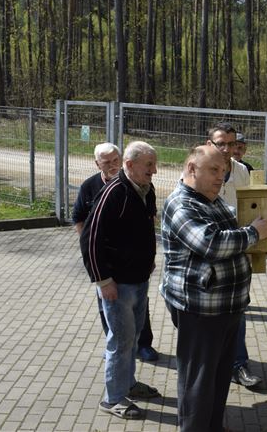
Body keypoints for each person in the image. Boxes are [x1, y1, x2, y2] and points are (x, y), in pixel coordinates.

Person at [160, 145, 267, 431]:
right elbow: (210, 244)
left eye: (223, 171)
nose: (220, 177)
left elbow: (235, 229)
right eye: (213, 170)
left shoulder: (213, 200)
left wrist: (262, 241)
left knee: (220, 376)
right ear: (191, 169)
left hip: (227, 307)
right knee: (198, 382)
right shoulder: (181, 204)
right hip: (201, 311)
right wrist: (253, 233)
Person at [80, 141, 161, 420]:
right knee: (120, 342)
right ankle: (113, 398)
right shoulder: (113, 192)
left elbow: (147, 227)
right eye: (148, 165)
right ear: (129, 165)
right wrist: (103, 281)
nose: (154, 170)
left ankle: (129, 384)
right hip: (117, 284)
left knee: (134, 337)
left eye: (154, 164)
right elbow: (89, 238)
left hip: (139, 279)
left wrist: (149, 258)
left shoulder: (147, 189)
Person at [206, 123, 262, 389]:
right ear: (210, 144)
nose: (227, 149)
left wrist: (263, 241)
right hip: (209, 257)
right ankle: (209, 366)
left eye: (231, 143)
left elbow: (253, 209)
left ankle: (238, 365)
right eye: (221, 144)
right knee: (208, 317)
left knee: (238, 312)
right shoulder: (199, 171)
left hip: (239, 253)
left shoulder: (241, 171)